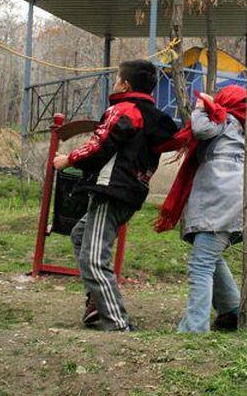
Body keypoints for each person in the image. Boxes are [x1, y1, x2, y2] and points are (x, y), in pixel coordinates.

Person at [52, 59, 176, 332]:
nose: (115, 82)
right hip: (131, 191)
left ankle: (118, 323)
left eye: (118, 78)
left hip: (111, 189)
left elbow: (99, 145)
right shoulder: (154, 116)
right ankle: (97, 301)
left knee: (93, 259)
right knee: (80, 235)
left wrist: (68, 160)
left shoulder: (123, 109)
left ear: (125, 84)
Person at [155, 85, 246, 333]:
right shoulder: (240, 128)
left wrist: (198, 109)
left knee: (202, 263)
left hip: (218, 199)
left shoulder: (223, 118)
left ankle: (194, 328)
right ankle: (231, 309)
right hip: (231, 199)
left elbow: (201, 128)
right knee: (209, 257)